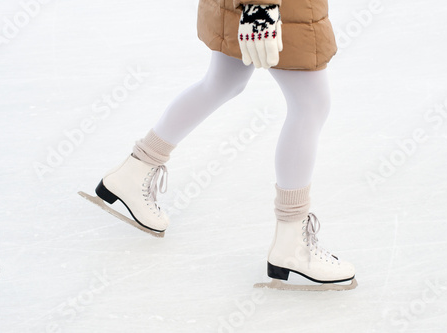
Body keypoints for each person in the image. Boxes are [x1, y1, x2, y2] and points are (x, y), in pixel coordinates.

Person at [91, 0, 356, 289]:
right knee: (310, 104)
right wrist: (260, 8)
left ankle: (135, 171)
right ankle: (291, 243)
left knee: (223, 81)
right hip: (275, 8)